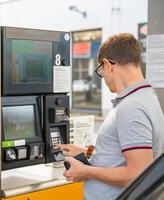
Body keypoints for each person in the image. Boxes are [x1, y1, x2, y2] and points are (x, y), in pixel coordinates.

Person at [58, 33, 164, 200]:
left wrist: (86, 171)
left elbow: (138, 173)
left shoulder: (131, 107)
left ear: (108, 65)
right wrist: (87, 152)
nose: (104, 78)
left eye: (100, 70)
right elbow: (125, 154)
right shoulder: (146, 97)